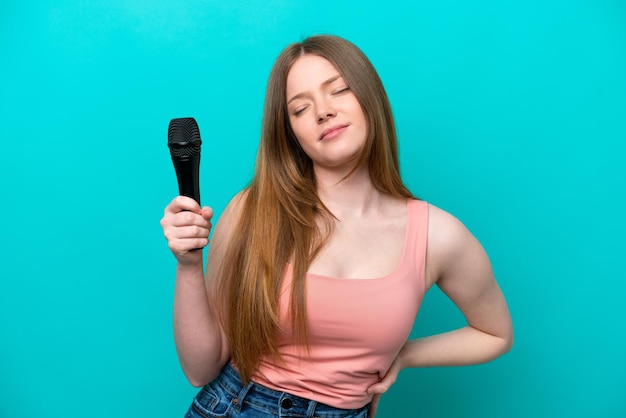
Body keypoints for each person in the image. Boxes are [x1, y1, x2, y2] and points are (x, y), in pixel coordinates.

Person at [160, 34, 513, 418]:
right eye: (300, 109)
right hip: (235, 405)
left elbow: (495, 334)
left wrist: (405, 355)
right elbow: (200, 369)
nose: (323, 112)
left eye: (339, 90)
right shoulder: (252, 211)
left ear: (369, 97)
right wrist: (189, 264)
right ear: (291, 134)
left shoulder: (437, 235)